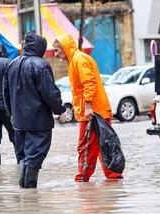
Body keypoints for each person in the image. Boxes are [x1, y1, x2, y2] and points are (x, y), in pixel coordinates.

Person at [53, 34, 123, 182]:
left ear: (65, 48)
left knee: (85, 147)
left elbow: (88, 83)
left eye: (57, 50)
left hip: (92, 112)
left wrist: (88, 106)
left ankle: (82, 178)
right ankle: (113, 176)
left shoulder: (79, 60)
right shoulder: (76, 60)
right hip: (96, 110)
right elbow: (82, 87)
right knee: (103, 144)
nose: (56, 54)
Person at [3, 32, 67, 188]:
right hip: (38, 122)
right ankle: (30, 193)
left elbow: (5, 92)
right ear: (40, 48)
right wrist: (60, 109)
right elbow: (49, 92)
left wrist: (11, 114)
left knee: (24, 156)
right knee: (35, 157)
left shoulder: (13, 64)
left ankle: (25, 195)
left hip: (18, 122)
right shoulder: (40, 65)